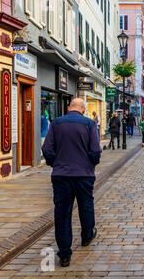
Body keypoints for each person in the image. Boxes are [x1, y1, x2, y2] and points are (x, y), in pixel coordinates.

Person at [42, 98, 101, 267]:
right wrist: (90, 163)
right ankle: (87, 236)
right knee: (86, 205)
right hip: (84, 174)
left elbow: (46, 149)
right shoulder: (89, 124)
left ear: (69, 108)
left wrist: (55, 162)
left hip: (61, 175)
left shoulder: (56, 123)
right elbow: (95, 150)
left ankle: (65, 254)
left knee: (62, 213)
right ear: (83, 110)